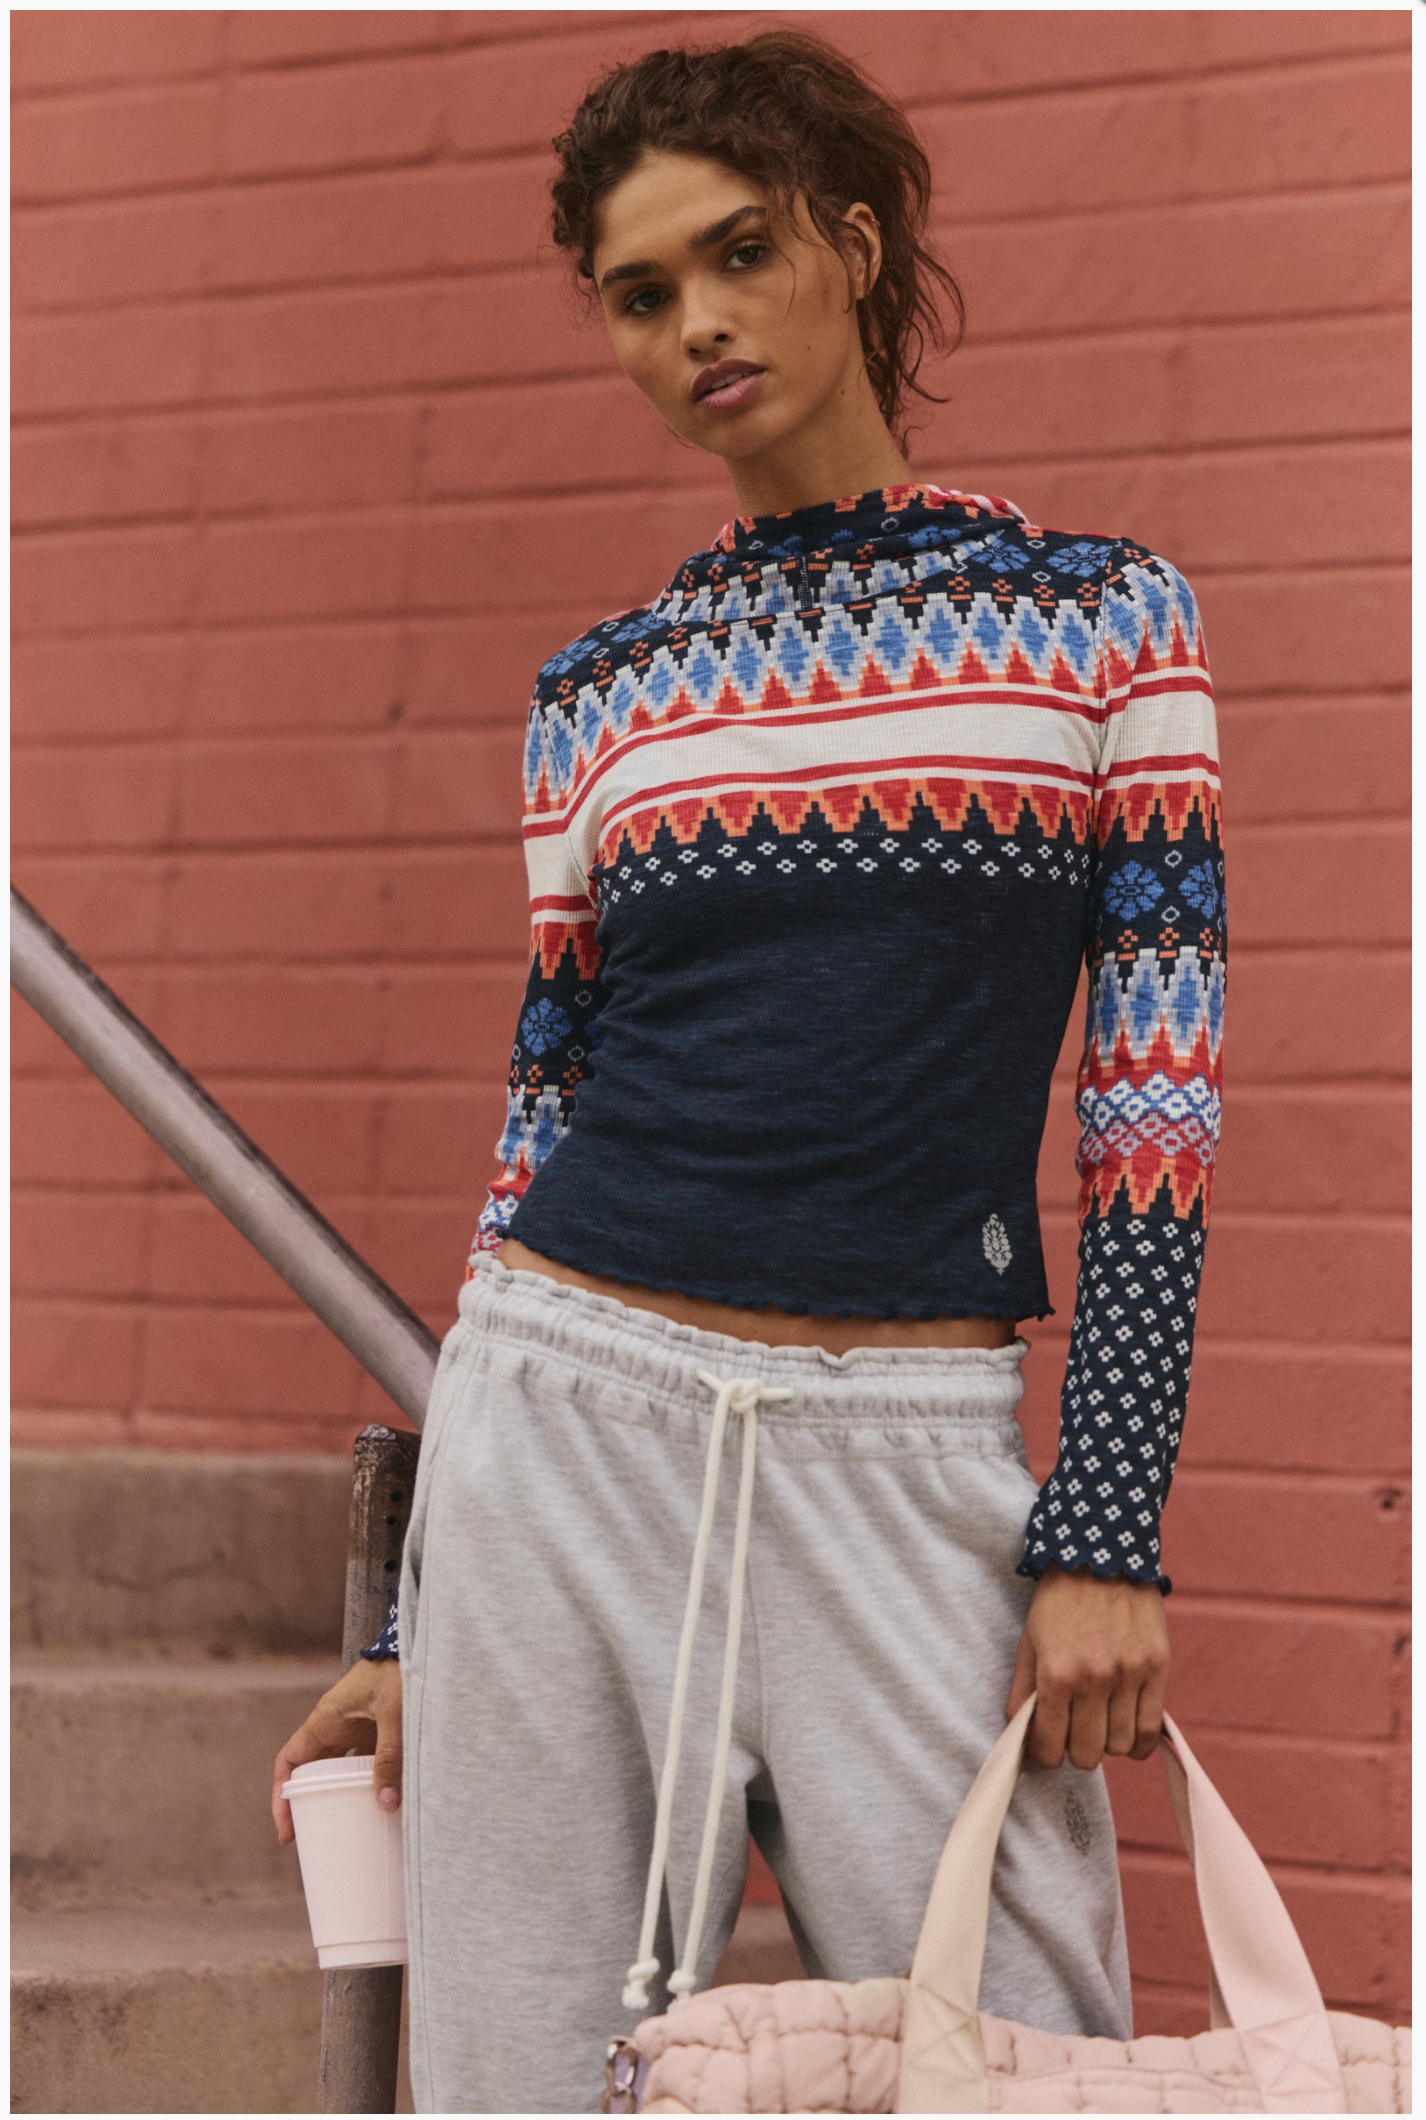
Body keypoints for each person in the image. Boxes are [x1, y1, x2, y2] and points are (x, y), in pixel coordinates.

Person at [272, 31, 1225, 2114]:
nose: (695, 321)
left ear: (851, 249)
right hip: (565, 1420)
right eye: (638, 293)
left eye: (739, 253)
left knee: (1016, 2057)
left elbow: (1150, 1112)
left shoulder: (1103, 625)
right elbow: (539, 1115)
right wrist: (425, 1619)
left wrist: (1105, 1519)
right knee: (521, 2077)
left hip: (910, 1452)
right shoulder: (599, 696)